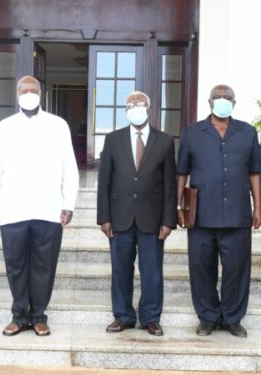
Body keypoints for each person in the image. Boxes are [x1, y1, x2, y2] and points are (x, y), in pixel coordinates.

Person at [0, 75, 79, 337]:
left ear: (41, 93)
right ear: (16, 94)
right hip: (12, 208)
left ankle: (38, 316)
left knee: (44, 265)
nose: (28, 93)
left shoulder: (58, 125)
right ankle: (18, 316)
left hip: (48, 208)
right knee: (15, 265)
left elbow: (69, 167)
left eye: (33, 89)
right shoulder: (4, 127)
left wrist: (68, 203)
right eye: (23, 89)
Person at [176, 85, 261, 338]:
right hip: (201, 214)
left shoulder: (247, 132)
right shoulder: (192, 133)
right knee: (201, 268)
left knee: (237, 268)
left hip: (237, 214)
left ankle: (233, 318)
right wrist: (178, 206)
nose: (222, 101)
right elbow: (182, 172)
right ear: (209, 102)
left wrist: (258, 207)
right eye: (218, 97)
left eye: (227, 98)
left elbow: (255, 172)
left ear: (235, 103)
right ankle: (207, 317)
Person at [97, 91, 176, 337]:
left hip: (152, 219)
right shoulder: (113, 139)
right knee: (121, 269)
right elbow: (104, 182)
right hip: (119, 217)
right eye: (130, 104)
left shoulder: (164, 141)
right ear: (126, 110)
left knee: (152, 271)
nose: (135, 107)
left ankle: (151, 317)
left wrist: (168, 220)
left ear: (149, 109)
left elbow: (170, 185)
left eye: (140, 104)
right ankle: (123, 316)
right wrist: (104, 217)